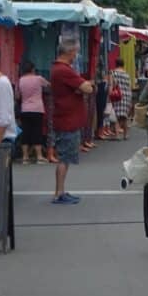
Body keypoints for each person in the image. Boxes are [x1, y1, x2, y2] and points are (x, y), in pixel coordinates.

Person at [51, 37, 94, 205]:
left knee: (66, 157)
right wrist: (83, 87)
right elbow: (87, 88)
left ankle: (60, 191)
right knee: (64, 157)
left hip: (66, 118)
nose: (76, 55)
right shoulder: (64, 70)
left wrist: (81, 88)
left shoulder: (58, 70)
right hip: (67, 119)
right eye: (75, 52)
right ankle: (58, 193)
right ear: (69, 52)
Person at [17, 61, 50, 164]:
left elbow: (17, 96)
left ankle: (25, 157)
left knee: (25, 133)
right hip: (37, 109)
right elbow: (49, 86)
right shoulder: (39, 79)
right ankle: (39, 156)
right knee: (37, 132)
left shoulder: (20, 80)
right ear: (32, 69)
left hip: (25, 109)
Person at [109, 58, 132, 141]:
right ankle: (125, 135)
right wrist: (130, 99)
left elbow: (111, 84)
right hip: (126, 96)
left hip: (117, 96)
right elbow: (129, 87)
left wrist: (110, 94)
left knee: (116, 116)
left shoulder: (113, 73)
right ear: (123, 64)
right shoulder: (127, 74)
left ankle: (117, 135)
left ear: (116, 64)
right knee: (124, 116)